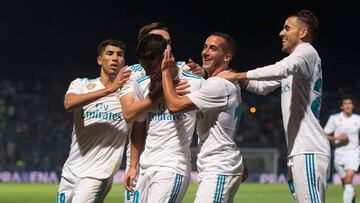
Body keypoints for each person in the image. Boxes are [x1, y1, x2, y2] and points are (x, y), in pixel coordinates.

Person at [218, 10, 330, 202]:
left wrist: (238, 76)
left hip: (308, 148)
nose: (281, 33)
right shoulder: (297, 66)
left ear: (302, 33)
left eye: (287, 28)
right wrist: (233, 75)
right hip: (300, 149)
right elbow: (261, 87)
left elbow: (281, 67)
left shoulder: (305, 50)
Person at [161, 32, 244, 203]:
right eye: (205, 46)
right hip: (220, 165)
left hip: (219, 167)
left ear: (227, 56)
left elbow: (174, 106)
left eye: (213, 48)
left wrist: (165, 74)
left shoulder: (219, 85)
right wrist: (204, 76)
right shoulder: (219, 83)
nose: (205, 52)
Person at [123, 34, 203, 203]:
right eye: (144, 66)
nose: (147, 72)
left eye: (151, 66)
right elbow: (138, 126)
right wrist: (132, 166)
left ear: (166, 57)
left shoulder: (195, 83)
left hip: (172, 167)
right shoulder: (143, 84)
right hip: (145, 168)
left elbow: (213, 121)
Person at [56, 39, 132, 202]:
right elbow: (69, 104)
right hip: (71, 170)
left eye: (119, 55)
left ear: (123, 62)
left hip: (99, 173)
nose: (115, 58)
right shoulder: (81, 84)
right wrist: (109, 90)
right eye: (110, 53)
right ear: (99, 59)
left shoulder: (128, 93)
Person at [324, 95, 360, 203]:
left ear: (353, 106)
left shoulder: (358, 119)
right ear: (341, 106)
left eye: (350, 103)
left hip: (354, 153)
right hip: (339, 154)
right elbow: (324, 135)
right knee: (346, 184)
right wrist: (337, 138)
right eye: (345, 104)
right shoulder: (334, 118)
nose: (347, 106)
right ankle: (352, 194)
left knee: (349, 179)